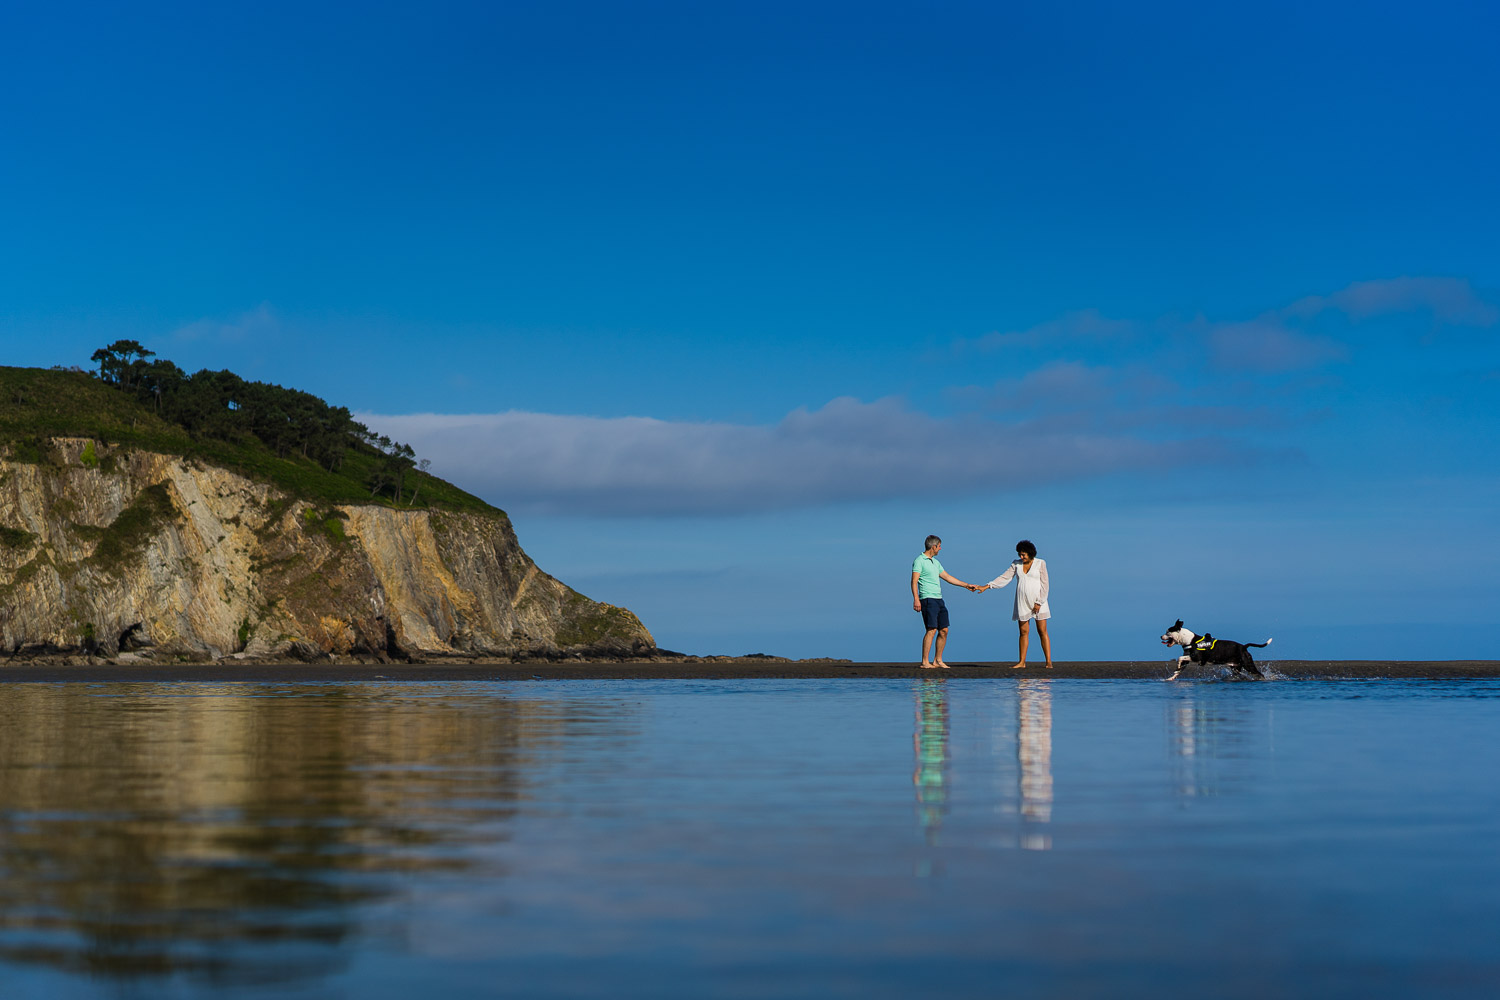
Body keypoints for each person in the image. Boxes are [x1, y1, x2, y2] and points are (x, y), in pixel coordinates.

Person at [979, 540, 1052, 669]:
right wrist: (987, 586)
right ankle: (1022, 662)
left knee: (1042, 631)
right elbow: (1004, 578)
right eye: (1020, 554)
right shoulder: (1016, 564)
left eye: (1023, 554)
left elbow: (1045, 584)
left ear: (1030, 553)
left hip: (1039, 602)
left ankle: (1048, 662)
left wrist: (1039, 602)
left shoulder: (1040, 563)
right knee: (1023, 632)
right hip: (1022, 601)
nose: (1021, 557)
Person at [911, 535, 981, 670]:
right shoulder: (919, 560)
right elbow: (914, 581)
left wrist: (966, 585)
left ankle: (938, 660)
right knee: (931, 629)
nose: (940, 548)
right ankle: (925, 662)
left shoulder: (935, 562)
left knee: (944, 630)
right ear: (934, 547)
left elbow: (947, 577)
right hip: (927, 598)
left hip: (939, 599)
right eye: (939, 546)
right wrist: (916, 599)